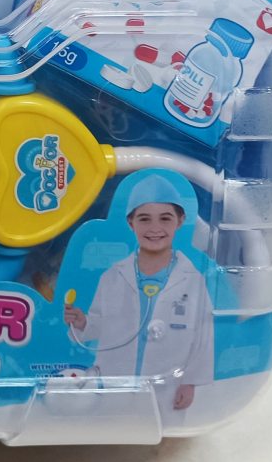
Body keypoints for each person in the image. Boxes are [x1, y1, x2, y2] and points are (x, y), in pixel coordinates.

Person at [63, 173, 214, 424]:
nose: (155, 228)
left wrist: (190, 382)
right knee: (111, 429)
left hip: (166, 387)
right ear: (131, 222)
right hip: (114, 380)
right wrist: (83, 323)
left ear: (180, 221)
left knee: (162, 431)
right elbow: (99, 325)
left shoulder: (193, 280)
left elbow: (204, 336)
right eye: (144, 219)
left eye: (165, 218)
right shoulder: (112, 276)